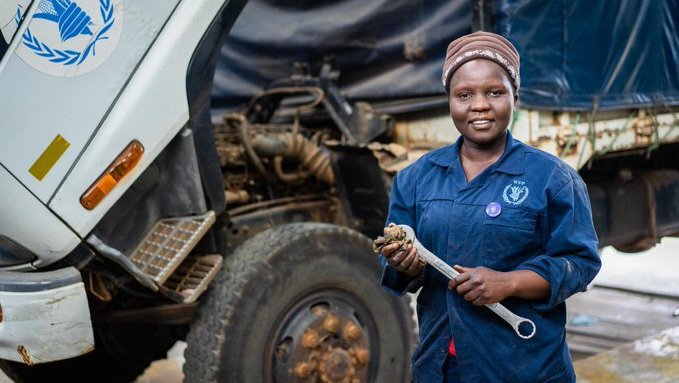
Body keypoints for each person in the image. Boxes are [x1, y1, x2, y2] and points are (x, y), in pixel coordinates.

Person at [378, 31, 601, 382]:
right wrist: (402, 263)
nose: (479, 105)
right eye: (464, 94)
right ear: (449, 100)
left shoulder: (552, 178)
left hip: (524, 366)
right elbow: (400, 262)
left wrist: (509, 283)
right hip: (442, 368)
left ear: (516, 95)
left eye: (494, 92)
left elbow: (580, 263)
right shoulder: (415, 179)